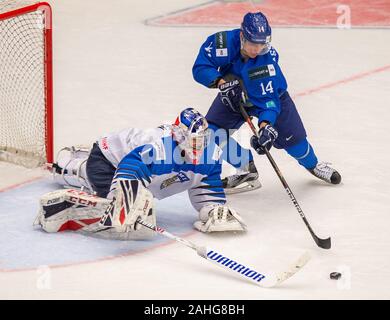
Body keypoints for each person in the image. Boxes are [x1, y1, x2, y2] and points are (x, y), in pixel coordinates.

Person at [34, 108, 246, 240]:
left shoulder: (211, 154)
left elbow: (205, 186)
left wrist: (212, 209)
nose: (198, 146)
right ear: (179, 135)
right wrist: (127, 200)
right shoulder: (160, 148)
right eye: (193, 140)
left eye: (202, 140)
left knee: (137, 208)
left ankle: (79, 164)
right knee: (116, 214)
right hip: (108, 161)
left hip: (137, 167)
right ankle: (67, 170)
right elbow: (129, 167)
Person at [192, 12, 341, 194]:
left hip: (268, 96)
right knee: (211, 133)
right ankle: (246, 168)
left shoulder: (266, 62)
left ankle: (314, 164)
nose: (257, 49)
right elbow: (201, 67)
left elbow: (269, 102)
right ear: (241, 35)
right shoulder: (221, 42)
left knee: (296, 144)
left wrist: (265, 127)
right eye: (253, 43)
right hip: (233, 95)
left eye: (262, 44)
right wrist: (221, 83)